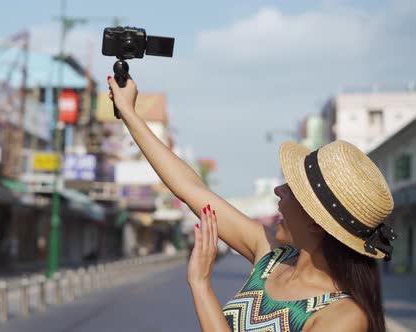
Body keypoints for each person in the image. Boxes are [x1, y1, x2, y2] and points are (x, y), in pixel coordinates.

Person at [107, 75, 397, 332]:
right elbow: (190, 188)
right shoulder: (272, 259)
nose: (278, 191)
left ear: (316, 221)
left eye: (292, 190)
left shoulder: (344, 317)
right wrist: (130, 115)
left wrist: (201, 286)